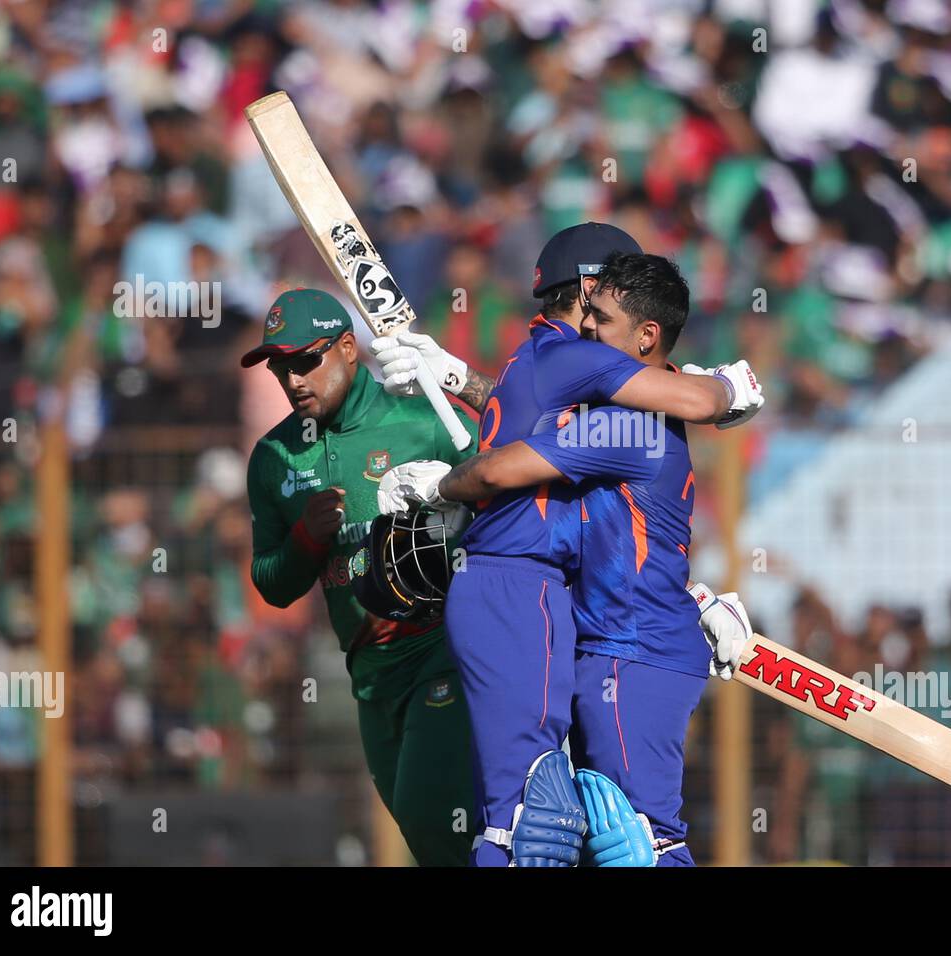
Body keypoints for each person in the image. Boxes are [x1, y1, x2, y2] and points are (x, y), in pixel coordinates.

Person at [372, 223, 764, 866]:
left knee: (625, 841)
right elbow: (560, 429)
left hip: (628, 645)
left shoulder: (609, 411)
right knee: (557, 831)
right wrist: (456, 378)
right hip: (588, 631)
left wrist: (442, 481)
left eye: (604, 316)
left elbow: (509, 463)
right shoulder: (596, 395)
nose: (589, 329)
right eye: (593, 307)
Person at [241, 287, 477, 866]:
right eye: (279, 366)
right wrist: (307, 538)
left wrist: (457, 509)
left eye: (304, 361)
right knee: (429, 840)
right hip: (368, 671)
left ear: (349, 348)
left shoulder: (424, 420)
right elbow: (272, 582)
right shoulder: (274, 457)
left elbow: (517, 489)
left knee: (432, 814)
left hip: (442, 651)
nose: (292, 379)